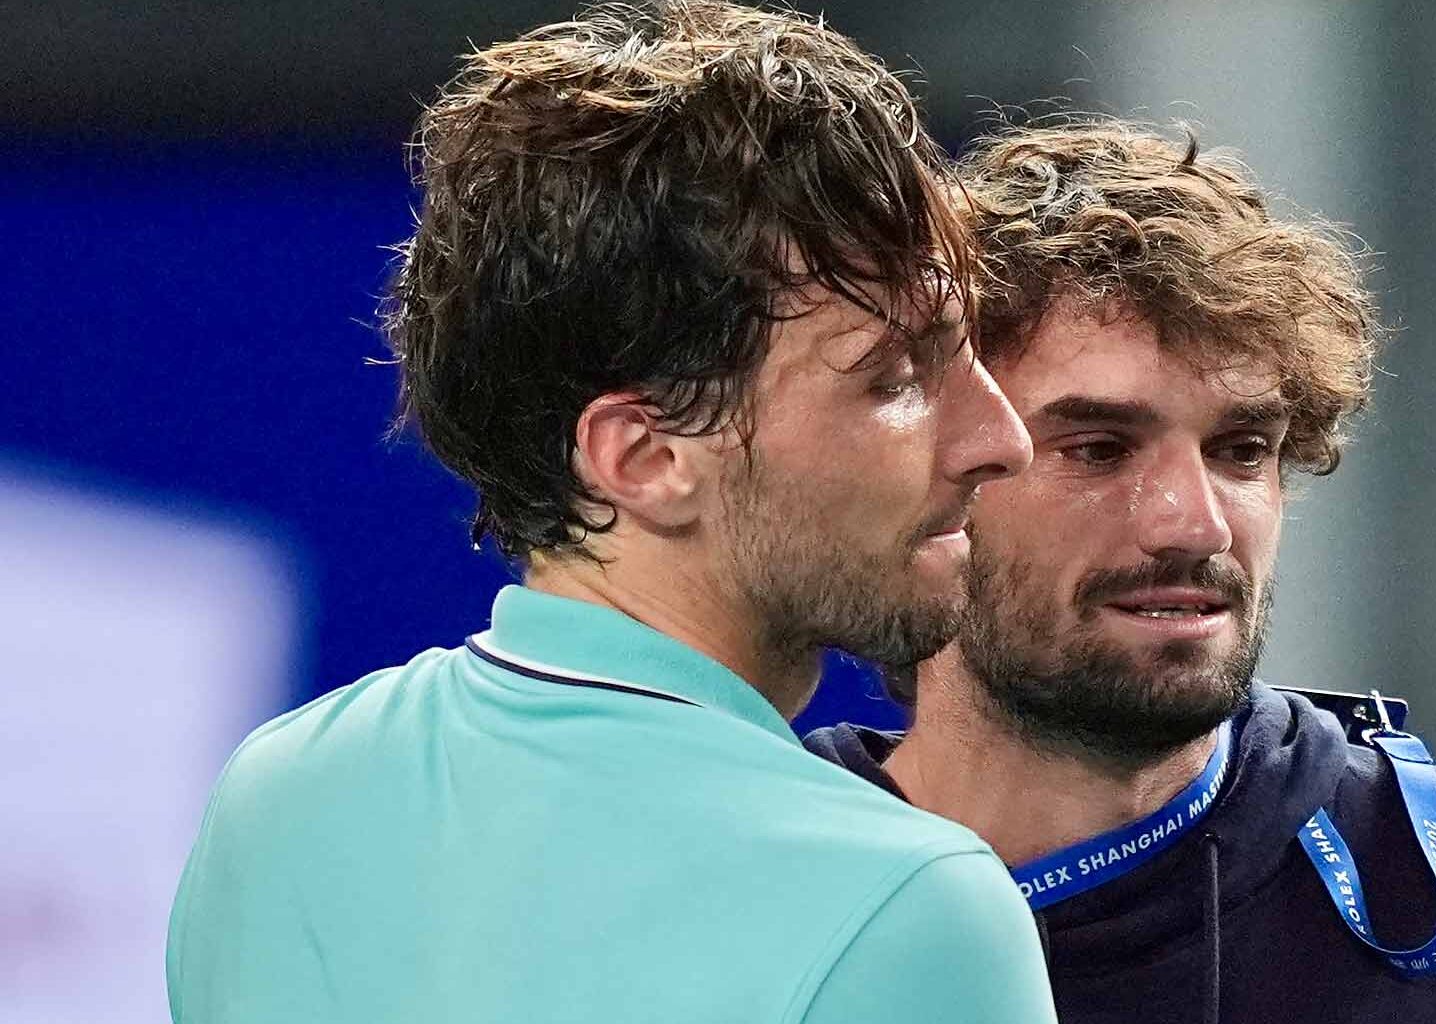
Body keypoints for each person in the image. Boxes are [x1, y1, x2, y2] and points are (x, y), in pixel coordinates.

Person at [165, 4, 1057, 1022]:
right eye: (893, 378)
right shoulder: (910, 908)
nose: (1001, 438)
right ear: (644, 458)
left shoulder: (276, 802)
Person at [806, 120, 1436, 1024]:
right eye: (1099, 448)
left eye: (1241, 450)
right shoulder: (757, 888)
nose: (1195, 524)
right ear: (932, 481)